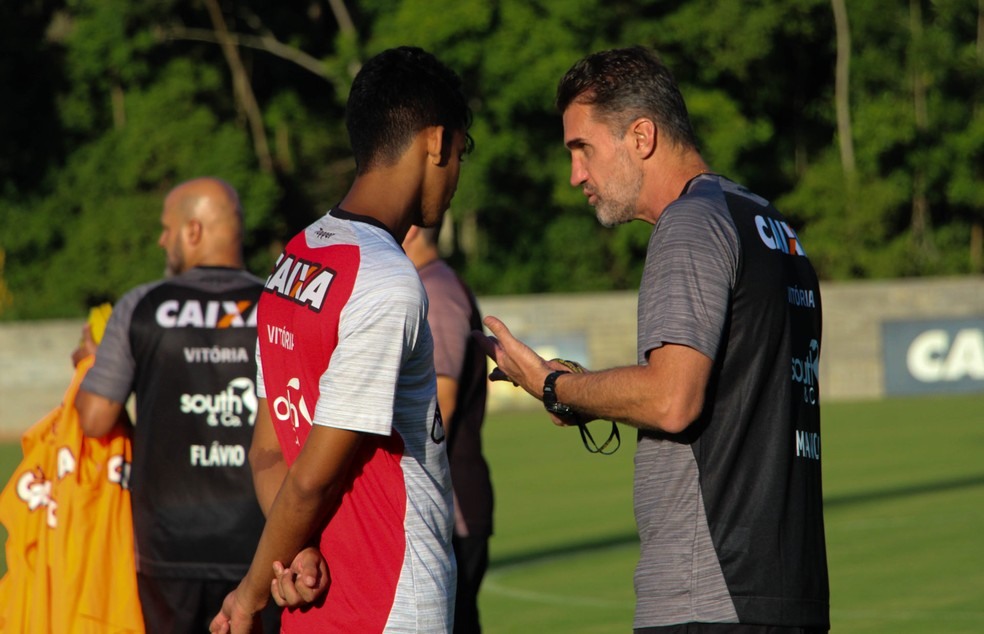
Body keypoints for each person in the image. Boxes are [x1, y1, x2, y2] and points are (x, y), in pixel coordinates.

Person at [474, 46, 829, 633]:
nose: (575, 176)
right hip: (789, 591)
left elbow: (672, 399)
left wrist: (554, 386)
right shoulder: (769, 224)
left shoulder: (688, 225)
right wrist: (584, 390)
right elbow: (721, 395)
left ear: (641, 135)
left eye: (581, 149)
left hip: (710, 592)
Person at [209, 45, 472, 633]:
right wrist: (250, 596)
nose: (457, 173)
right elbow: (311, 476)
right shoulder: (386, 280)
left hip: (317, 596)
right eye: (461, 151)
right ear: (435, 142)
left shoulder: (294, 259)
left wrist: (293, 550)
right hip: (390, 601)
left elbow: (270, 451)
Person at [74, 177, 280, 633]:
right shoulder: (279, 305)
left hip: (168, 546)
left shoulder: (142, 306)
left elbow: (94, 418)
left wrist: (87, 365)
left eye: (167, 229)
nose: (161, 239)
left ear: (193, 231)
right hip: (262, 542)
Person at [403, 222, 493, 633]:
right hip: (449, 507)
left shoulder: (435, 292)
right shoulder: (430, 284)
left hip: (449, 511)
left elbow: (443, 398)